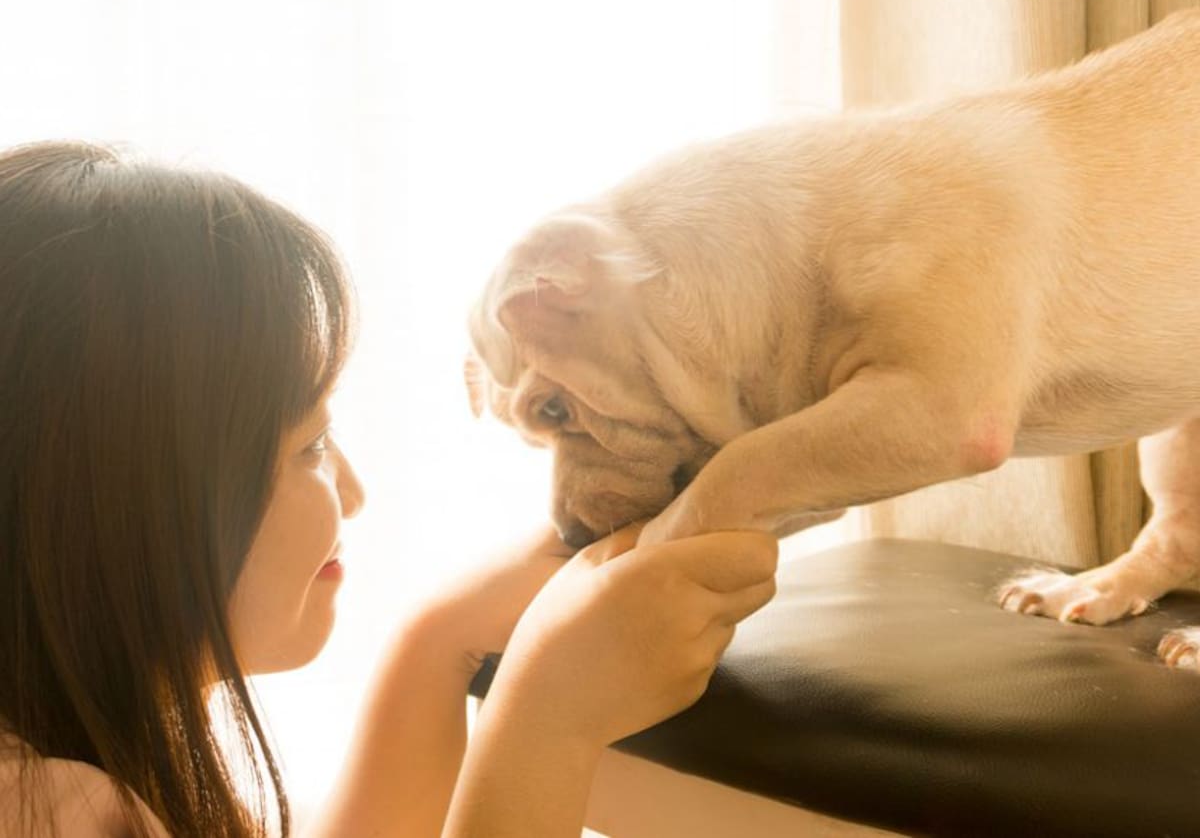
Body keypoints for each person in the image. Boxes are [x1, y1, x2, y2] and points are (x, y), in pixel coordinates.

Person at [0, 141, 778, 838]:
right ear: (130, 499)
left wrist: (436, 646)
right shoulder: (59, 815)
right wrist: (546, 726)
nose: (355, 492)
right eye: (311, 446)